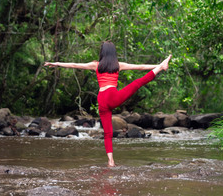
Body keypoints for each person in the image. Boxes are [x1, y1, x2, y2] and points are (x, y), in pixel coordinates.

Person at [44, 41, 172, 167]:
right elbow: (140, 66)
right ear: (113, 53)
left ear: (102, 52)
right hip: (114, 97)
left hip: (102, 100)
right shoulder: (118, 65)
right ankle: (161, 67)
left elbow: (74, 65)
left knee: (107, 133)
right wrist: (158, 66)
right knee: (137, 83)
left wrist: (56, 63)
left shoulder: (96, 65)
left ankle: (111, 161)